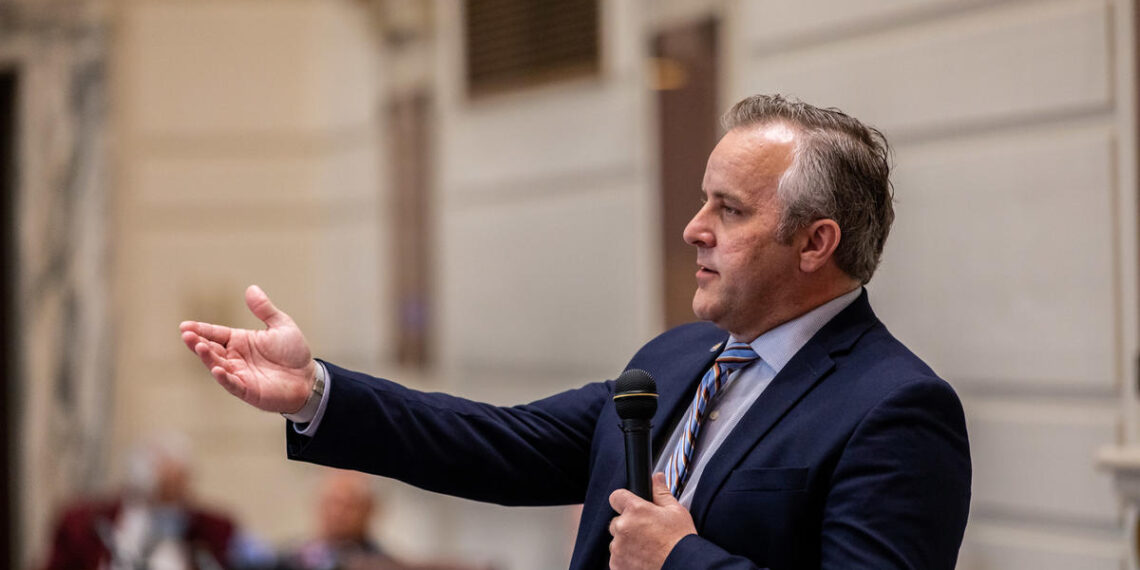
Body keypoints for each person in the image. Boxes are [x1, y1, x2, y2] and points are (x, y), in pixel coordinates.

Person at [180, 94, 971, 569]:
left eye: (730, 210)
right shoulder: (677, 359)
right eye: (704, 200)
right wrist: (314, 391)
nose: (694, 228)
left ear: (815, 243)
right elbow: (500, 444)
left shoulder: (894, 410)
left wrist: (679, 559)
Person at [42, 434, 238, 570]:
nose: (180, 493)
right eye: (166, 485)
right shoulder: (87, 523)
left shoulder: (210, 528)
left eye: (182, 481)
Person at [278, 469, 494, 570]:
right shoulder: (289, 560)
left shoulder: (385, 565)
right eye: (331, 502)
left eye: (349, 505)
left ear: (370, 509)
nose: (337, 512)